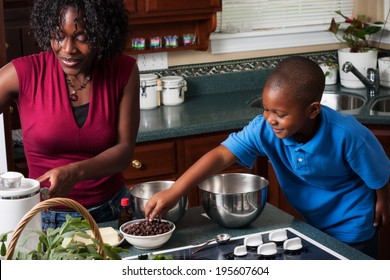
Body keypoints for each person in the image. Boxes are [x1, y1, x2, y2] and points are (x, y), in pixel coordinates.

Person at [145, 56, 390, 259]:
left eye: (280, 113)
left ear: (312, 110)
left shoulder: (348, 135)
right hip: (312, 223)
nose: (270, 118)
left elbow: (378, 173)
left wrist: (382, 200)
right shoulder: (264, 128)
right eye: (266, 108)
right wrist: (176, 191)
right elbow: (221, 156)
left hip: (353, 226)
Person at [0, 0, 140, 230]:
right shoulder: (24, 72)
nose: (67, 49)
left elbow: (124, 152)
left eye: (82, 38)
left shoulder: (123, 70)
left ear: (101, 32)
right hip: (45, 218)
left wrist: (75, 172)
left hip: (112, 213)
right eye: (58, 36)